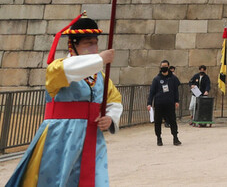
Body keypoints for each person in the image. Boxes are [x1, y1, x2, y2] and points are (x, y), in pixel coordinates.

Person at [5, 13, 122, 186]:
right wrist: (100, 59)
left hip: (91, 136)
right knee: (56, 179)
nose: (94, 47)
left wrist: (110, 118)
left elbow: (114, 100)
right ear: (72, 45)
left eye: (95, 43)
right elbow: (70, 70)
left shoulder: (101, 77)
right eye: (88, 43)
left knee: (94, 179)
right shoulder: (57, 68)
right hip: (60, 135)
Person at [148, 60, 181, 146]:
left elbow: (176, 91)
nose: (163, 68)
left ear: (168, 66)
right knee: (158, 122)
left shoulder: (173, 78)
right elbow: (152, 92)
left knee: (173, 121)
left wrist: (177, 101)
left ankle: (175, 138)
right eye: (162, 66)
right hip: (159, 104)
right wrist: (149, 103)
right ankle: (159, 138)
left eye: (165, 66)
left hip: (170, 103)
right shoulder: (156, 79)